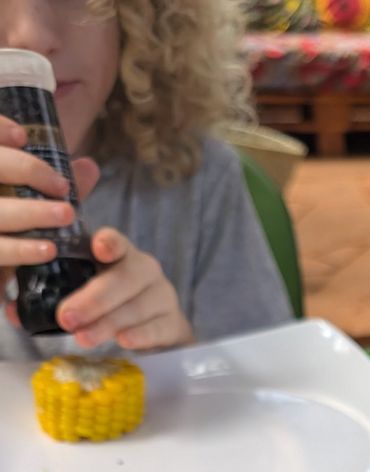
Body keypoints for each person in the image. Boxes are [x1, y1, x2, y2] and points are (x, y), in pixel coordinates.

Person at [0, 0, 293, 361]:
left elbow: (274, 378)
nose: (32, 37)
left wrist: (179, 358)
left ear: (137, 19)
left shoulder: (199, 176)